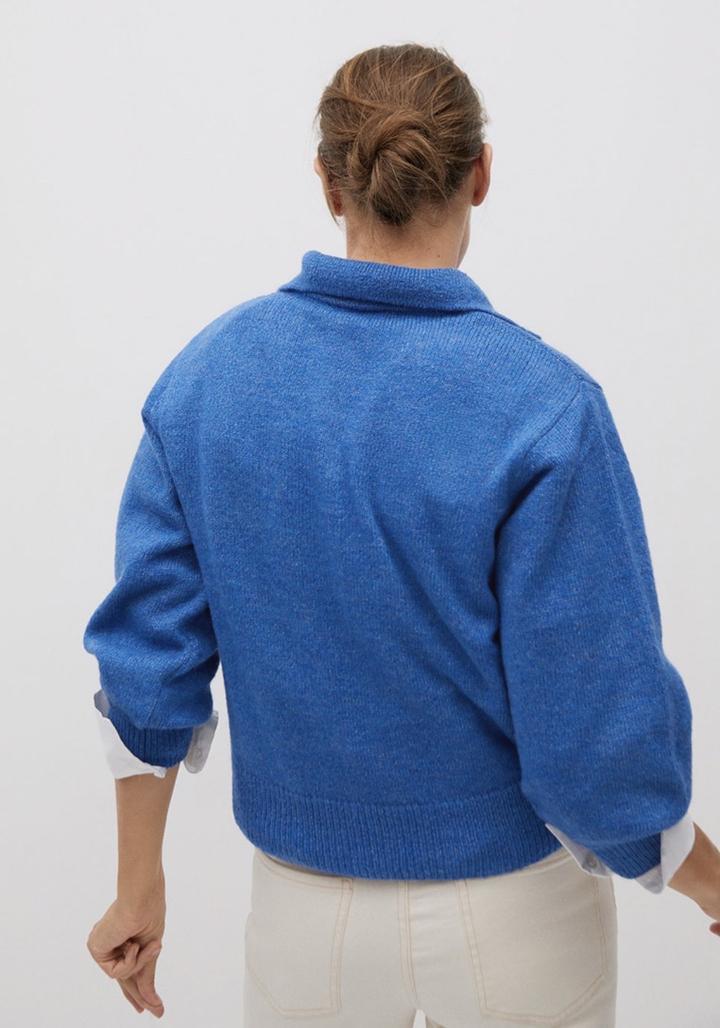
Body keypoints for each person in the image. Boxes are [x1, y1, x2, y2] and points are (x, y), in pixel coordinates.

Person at [83, 42, 720, 1027]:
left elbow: (147, 666)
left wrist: (136, 885)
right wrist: (706, 876)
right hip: (519, 917)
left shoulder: (210, 380)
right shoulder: (544, 407)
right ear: (482, 173)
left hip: (302, 921)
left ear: (327, 181)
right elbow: (593, 737)